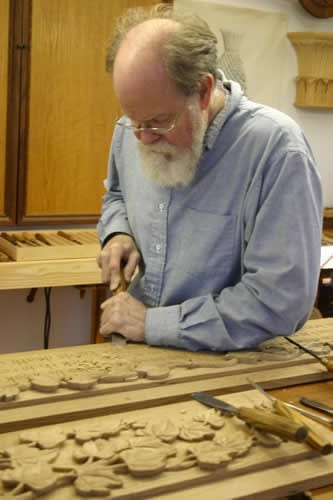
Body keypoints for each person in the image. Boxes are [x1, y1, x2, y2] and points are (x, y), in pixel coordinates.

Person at [96, 3, 323, 352]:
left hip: (227, 369)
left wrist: (151, 323)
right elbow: (116, 196)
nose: (142, 137)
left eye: (159, 123)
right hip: (136, 352)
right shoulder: (132, 129)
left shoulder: (276, 151)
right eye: (134, 121)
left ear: (202, 91)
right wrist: (118, 233)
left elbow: (279, 300)